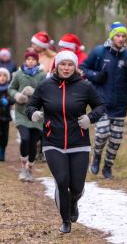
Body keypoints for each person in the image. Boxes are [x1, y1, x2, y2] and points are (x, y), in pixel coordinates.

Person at [26, 50, 105, 233]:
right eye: (63, 64)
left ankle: (74, 201)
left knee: (76, 187)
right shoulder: (45, 86)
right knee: (62, 181)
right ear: (56, 66)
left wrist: (90, 118)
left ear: (75, 67)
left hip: (79, 142)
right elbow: (31, 105)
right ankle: (65, 221)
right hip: (53, 141)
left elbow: (100, 106)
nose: (66, 68)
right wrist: (34, 114)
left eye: (70, 64)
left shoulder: (84, 86)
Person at [80, 21, 127, 179]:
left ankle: (108, 167)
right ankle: (96, 158)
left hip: (120, 104)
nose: (121, 38)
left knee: (116, 139)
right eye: (118, 35)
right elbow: (83, 68)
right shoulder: (99, 52)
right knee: (102, 133)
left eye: (123, 36)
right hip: (101, 101)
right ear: (112, 36)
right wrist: (96, 76)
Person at [8, 50, 46, 182]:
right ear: (25, 61)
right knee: (25, 139)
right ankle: (23, 167)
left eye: (33, 59)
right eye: (28, 59)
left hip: (37, 114)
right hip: (21, 112)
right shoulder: (19, 74)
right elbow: (11, 88)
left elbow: (46, 92)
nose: (30, 61)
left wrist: (34, 92)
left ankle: (30, 168)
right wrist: (17, 95)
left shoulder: (42, 75)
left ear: (37, 61)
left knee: (33, 142)